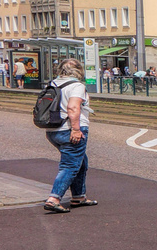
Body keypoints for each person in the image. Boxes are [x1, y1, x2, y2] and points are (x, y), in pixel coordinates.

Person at [42, 58, 96, 213]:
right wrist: (76, 129)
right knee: (70, 165)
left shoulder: (53, 83)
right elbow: (73, 107)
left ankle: (78, 196)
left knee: (81, 161)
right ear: (79, 70)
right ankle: (54, 198)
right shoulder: (76, 86)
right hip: (69, 130)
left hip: (53, 130)